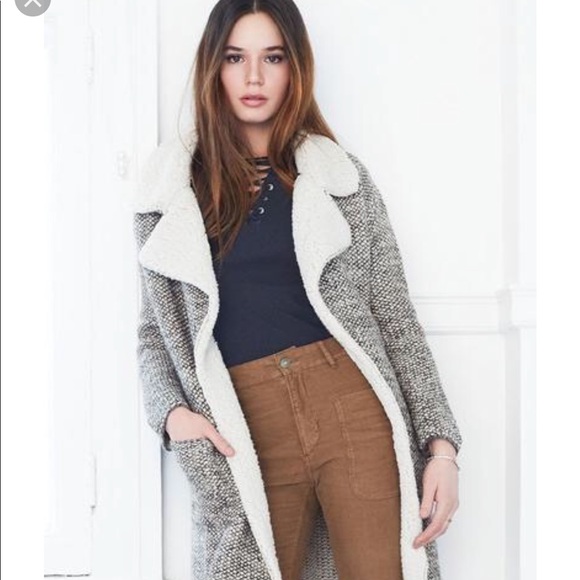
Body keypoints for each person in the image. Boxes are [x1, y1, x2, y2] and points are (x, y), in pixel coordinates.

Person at [132, 1, 462, 579]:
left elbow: (394, 317)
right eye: (235, 58)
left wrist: (442, 449)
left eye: (273, 58)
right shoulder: (172, 191)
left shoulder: (340, 179)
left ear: (295, 67)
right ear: (213, 67)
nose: (254, 77)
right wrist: (171, 414)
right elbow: (155, 332)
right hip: (243, 420)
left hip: (351, 406)